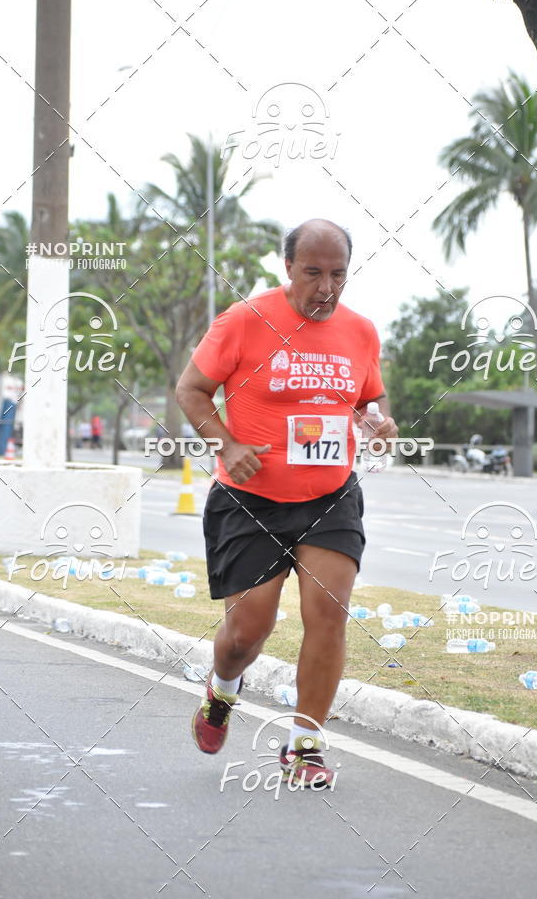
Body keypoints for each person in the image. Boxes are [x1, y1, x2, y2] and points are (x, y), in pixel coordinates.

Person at [176, 218, 398, 788]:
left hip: (330, 496)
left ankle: (305, 746)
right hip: (249, 498)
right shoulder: (244, 321)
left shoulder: (361, 331)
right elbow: (191, 389)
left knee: (328, 614)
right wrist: (226, 442)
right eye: (313, 273)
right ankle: (223, 689)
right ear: (288, 269)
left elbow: (367, 399)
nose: (326, 288)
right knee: (246, 634)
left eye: (338, 275)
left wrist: (377, 422)